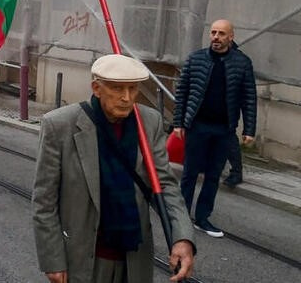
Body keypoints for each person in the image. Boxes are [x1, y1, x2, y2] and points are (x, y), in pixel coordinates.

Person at [33, 54, 195, 283]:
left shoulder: (148, 122)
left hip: (133, 257)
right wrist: (52, 259)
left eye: (133, 89)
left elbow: (165, 184)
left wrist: (183, 237)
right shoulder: (59, 125)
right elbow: (44, 201)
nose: (127, 98)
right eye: (117, 89)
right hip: (82, 257)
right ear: (96, 88)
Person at [173, 19, 256, 238]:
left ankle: (202, 218)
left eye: (221, 33)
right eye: (213, 32)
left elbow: (249, 98)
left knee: (212, 175)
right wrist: (178, 123)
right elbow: (182, 93)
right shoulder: (196, 59)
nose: (216, 37)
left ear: (231, 36)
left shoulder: (242, 63)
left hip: (224, 129)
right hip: (197, 126)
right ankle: (181, 216)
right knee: (190, 173)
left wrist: (249, 129)